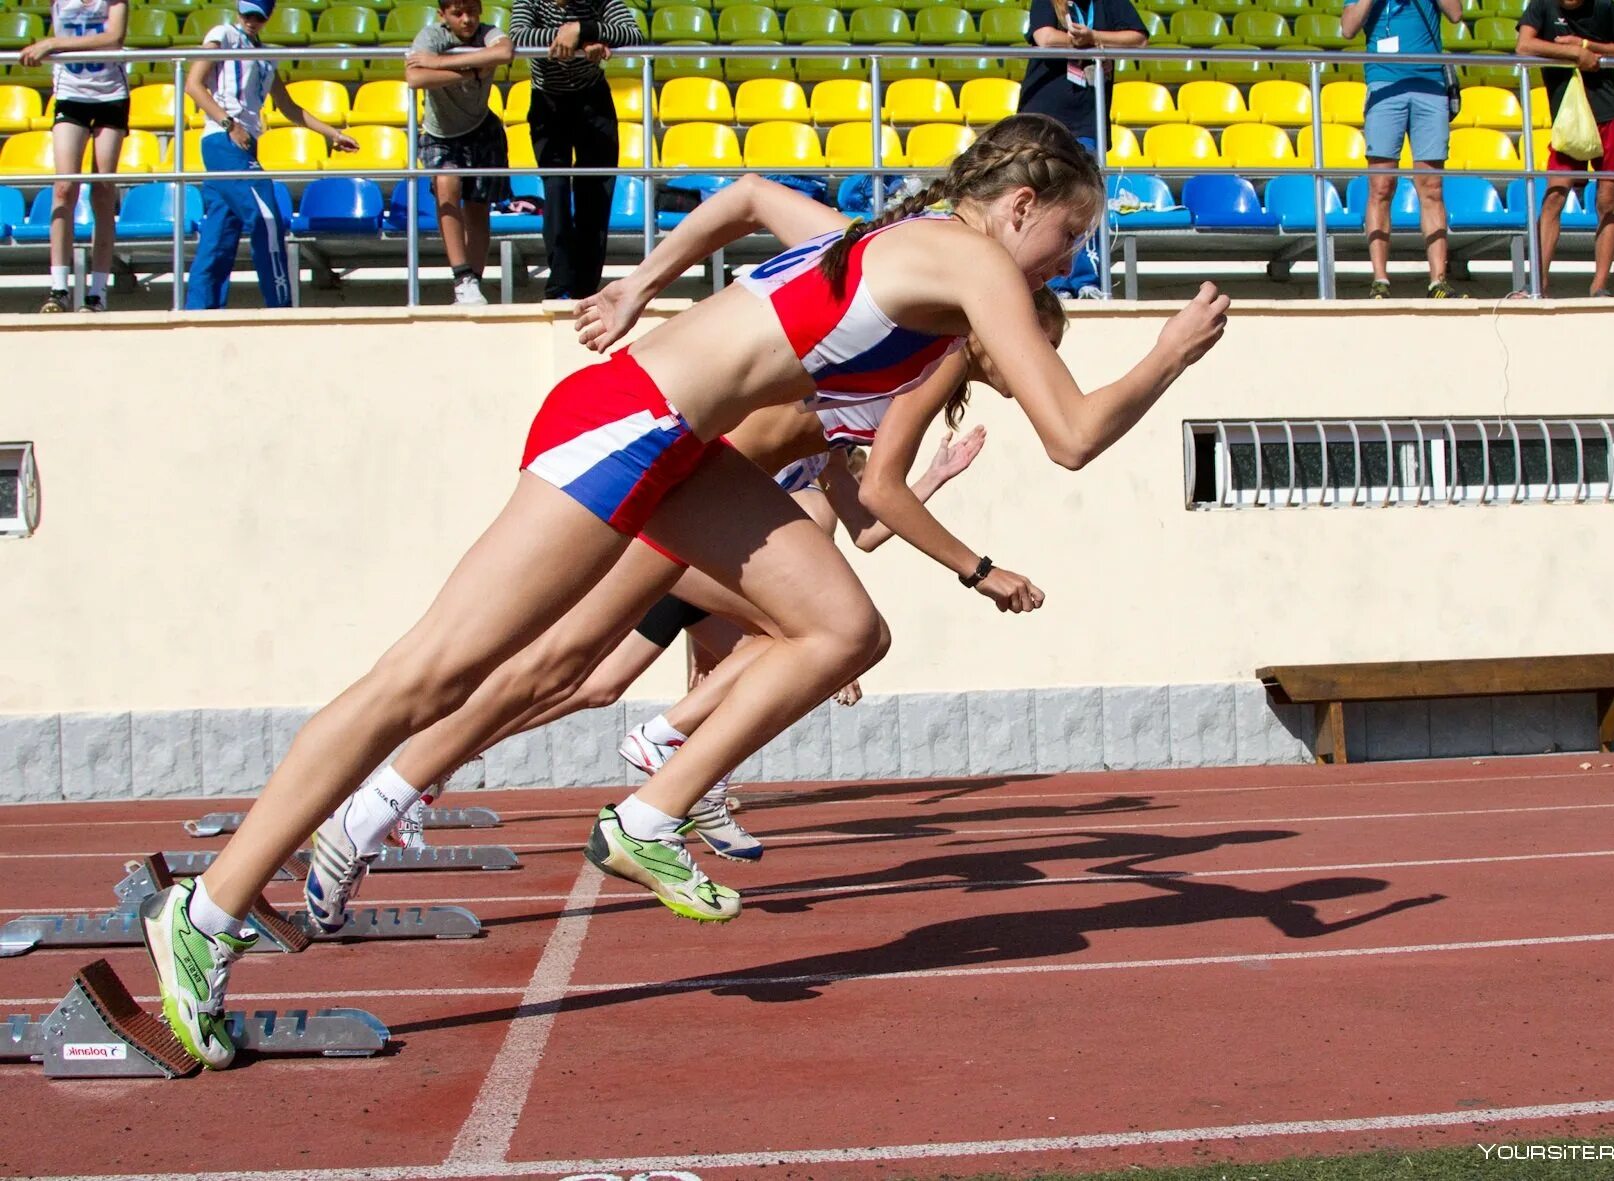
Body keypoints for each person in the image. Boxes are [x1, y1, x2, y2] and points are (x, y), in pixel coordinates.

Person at [138, 114, 1229, 1071]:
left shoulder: (898, 245)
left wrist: (644, 280)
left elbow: (753, 200)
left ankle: (649, 811)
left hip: (688, 449)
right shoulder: (974, 262)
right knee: (431, 672)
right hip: (627, 425)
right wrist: (1171, 352)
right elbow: (1074, 434)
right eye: (1068, 238)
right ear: (1020, 206)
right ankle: (212, 905)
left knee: (844, 626)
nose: (1066, 262)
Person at [310, 287, 1064, 898]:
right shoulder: (934, 351)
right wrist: (978, 569)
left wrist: (935, 481)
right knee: (561, 664)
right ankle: (384, 801)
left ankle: (394, 797)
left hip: (711, 500)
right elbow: (887, 493)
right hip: (687, 486)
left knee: (585, 671)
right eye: (1040, 345)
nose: (1039, 366)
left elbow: (864, 509)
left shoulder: (910, 366)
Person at [184, 0, 359, 310]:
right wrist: (229, 124)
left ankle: (200, 311)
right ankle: (280, 304)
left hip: (245, 141)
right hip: (225, 139)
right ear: (238, 11)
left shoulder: (266, 56)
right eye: (248, 14)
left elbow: (289, 108)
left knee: (219, 231)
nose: (252, 21)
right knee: (267, 218)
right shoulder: (223, 34)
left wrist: (332, 133)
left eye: (259, 16)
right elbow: (194, 85)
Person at [508, 0, 641, 300]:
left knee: (596, 191)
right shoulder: (529, 2)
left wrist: (583, 29)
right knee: (555, 190)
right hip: (548, 102)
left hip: (593, 100)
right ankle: (559, 284)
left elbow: (633, 34)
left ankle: (586, 287)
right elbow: (517, 36)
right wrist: (581, 40)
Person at [1020, 0, 1147, 299]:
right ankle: (1052, 284)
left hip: (1088, 119)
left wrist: (1093, 38)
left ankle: (1087, 280)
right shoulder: (1048, 2)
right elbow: (1046, 38)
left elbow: (1139, 39)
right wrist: (1085, 42)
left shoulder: (1109, 3)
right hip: (1045, 118)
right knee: (1049, 199)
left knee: (1085, 201)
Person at [1341, 0, 1466, 299]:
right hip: (1384, 84)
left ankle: (1438, 280)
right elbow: (1347, 29)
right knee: (1381, 185)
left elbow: (1455, 13)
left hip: (1430, 84)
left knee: (1431, 187)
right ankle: (1380, 279)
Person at [1516, 0, 1614, 296]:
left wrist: (1583, 42)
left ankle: (1599, 286)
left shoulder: (1605, 6)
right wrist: (1574, 53)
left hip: (1607, 111)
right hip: (1568, 117)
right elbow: (1524, 46)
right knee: (1555, 195)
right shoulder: (1541, 5)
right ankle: (1538, 285)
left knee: (1608, 200)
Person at [21, 0, 128, 313]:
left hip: (110, 95)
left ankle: (97, 292)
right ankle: (59, 288)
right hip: (71, 93)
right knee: (64, 187)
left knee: (103, 190)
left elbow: (114, 37)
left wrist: (54, 43)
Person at [405, 0, 515, 305]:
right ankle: (461, 276)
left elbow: (504, 52)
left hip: (481, 127)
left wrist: (439, 63)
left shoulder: (488, 32)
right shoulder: (431, 36)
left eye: (472, 11)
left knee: (478, 207)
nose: (467, 20)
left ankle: (474, 283)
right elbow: (415, 77)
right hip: (441, 133)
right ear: (443, 15)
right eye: (457, 13)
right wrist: (470, 72)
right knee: (446, 185)